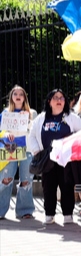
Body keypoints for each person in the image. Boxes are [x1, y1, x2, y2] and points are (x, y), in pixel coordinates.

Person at [27, 89, 81, 225]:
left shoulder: (72, 117)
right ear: (49, 101)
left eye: (62, 98)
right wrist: (36, 151)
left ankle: (68, 214)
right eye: (55, 98)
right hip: (47, 158)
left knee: (67, 186)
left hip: (66, 158)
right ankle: (49, 214)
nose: (59, 100)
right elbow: (32, 135)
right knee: (48, 186)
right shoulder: (41, 118)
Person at [0, 86, 38, 220]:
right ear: (11, 97)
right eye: (15, 93)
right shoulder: (5, 113)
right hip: (10, 149)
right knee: (6, 179)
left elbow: (35, 131)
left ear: (24, 97)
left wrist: (28, 120)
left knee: (26, 180)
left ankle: (25, 210)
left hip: (27, 150)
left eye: (21, 94)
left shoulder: (31, 113)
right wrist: (7, 134)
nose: (18, 96)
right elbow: (1, 131)